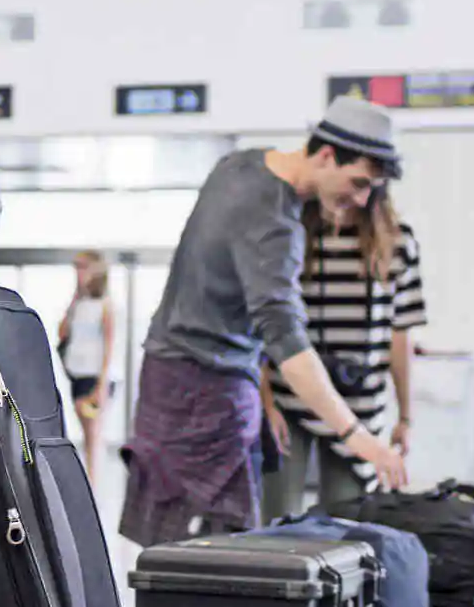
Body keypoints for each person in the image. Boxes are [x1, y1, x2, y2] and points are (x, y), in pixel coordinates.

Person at [121, 97, 410, 546]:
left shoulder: (237, 165)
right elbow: (287, 342)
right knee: (220, 555)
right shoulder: (277, 225)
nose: (361, 199)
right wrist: (359, 438)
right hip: (207, 390)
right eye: (358, 183)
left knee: (170, 545)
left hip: (163, 374)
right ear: (327, 154)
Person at [261, 189, 427, 519]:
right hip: (290, 398)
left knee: (345, 518)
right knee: (279, 519)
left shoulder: (398, 242)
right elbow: (265, 326)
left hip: (360, 402)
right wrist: (266, 404)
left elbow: (400, 337)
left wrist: (405, 417)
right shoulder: (290, 236)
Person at [56, 251, 116, 488]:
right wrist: (73, 300)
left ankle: (92, 486)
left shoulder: (105, 305)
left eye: (83, 267)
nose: (79, 272)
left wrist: (102, 384)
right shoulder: (79, 304)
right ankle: (89, 481)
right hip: (77, 376)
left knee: (93, 435)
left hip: (95, 377)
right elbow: (62, 333)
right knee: (85, 432)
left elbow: (110, 346)